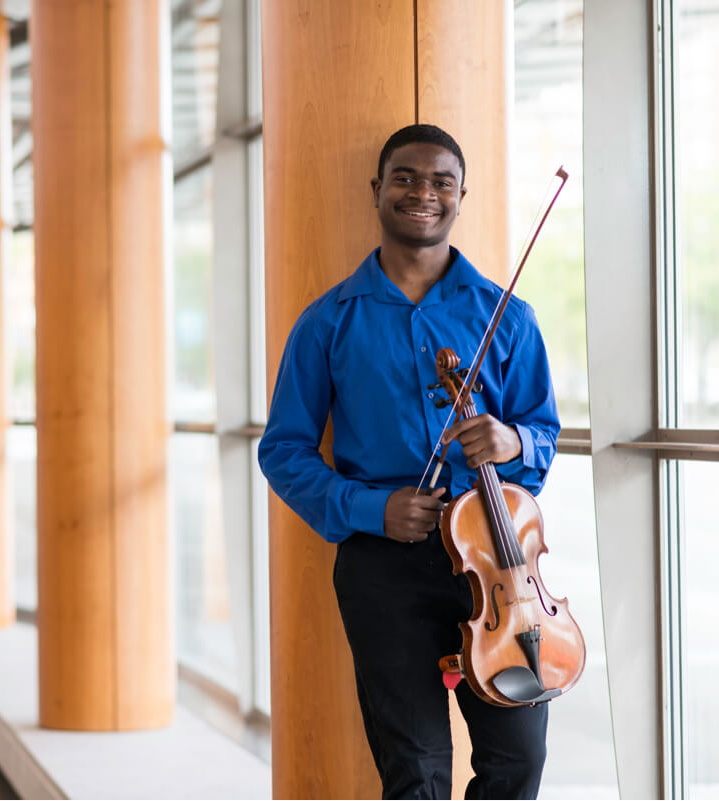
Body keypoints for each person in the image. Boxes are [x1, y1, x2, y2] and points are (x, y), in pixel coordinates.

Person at [257, 124, 560, 800]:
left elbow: (542, 432)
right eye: (405, 177)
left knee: (517, 761)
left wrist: (513, 443)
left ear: (460, 196)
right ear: (377, 191)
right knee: (415, 769)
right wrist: (373, 508)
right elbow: (282, 451)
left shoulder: (507, 317)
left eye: (440, 181)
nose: (423, 192)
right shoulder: (328, 320)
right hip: (383, 566)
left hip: (497, 561)